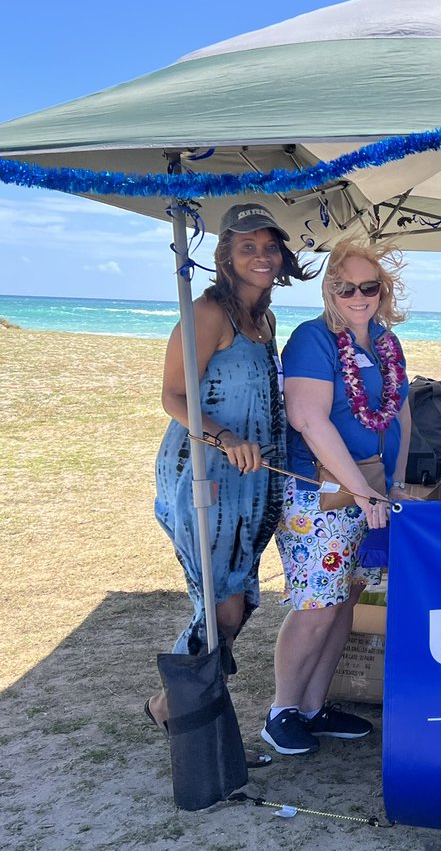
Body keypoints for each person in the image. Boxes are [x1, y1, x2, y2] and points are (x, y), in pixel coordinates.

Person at [150, 203, 316, 765]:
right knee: (220, 607)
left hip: (252, 479)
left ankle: (178, 708)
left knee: (239, 603)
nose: (262, 255)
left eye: (270, 246)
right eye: (248, 246)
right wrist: (223, 438)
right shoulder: (206, 314)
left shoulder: (263, 320)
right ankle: (183, 714)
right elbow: (174, 395)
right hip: (205, 474)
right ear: (225, 257)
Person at [261, 239, 413, 756]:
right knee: (316, 605)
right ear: (329, 289)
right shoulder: (313, 339)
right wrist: (361, 488)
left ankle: (313, 706)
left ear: (382, 289)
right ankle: (281, 709)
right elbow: (308, 418)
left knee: (346, 600)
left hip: (370, 495)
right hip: (321, 495)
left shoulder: (386, 343)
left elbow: (400, 414)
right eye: (345, 286)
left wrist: (393, 483)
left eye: (368, 286)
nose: (358, 295)